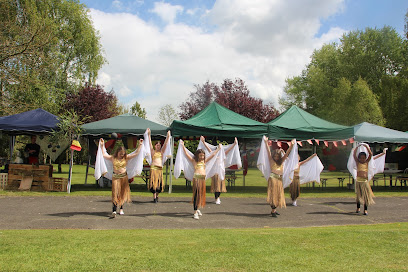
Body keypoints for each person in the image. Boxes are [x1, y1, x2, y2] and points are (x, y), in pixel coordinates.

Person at [99, 138, 144, 218]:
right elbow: (104, 154)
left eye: (123, 153)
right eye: (120, 153)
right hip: (115, 178)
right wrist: (102, 145)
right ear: (117, 152)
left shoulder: (126, 158)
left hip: (123, 177)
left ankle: (121, 208)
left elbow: (136, 154)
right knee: (115, 193)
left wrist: (140, 145)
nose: (122, 155)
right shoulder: (113, 158)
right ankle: (114, 210)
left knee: (122, 193)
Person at [179, 140, 221, 219]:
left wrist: (218, 149)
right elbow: (186, 154)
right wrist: (183, 146)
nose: (202, 157)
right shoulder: (194, 161)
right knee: (196, 194)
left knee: (201, 195)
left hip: (202, 180)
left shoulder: (204, 161)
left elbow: (213, 155)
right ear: (197, 155)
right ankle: (195, 212)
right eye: (200, 155)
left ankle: (197, 208)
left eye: (203, 156)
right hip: (197, 179)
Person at [261, 137, 296, 217]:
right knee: (273, 194)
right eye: (275, 156)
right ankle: (273, 210)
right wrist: (266, 142)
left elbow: (287, 153)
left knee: (278, 195)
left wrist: (291, 145)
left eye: (277, 156)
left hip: (279, 179)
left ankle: (274, 210)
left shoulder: (281, 161)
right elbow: (268, 151)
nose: (276, 157)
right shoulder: (271, 160)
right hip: (273, 178)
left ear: (279, 156)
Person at [199, 136, 239, 205]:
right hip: (215, 172)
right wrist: (203, 142)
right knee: (216, 186)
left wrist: (234, 144)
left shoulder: (223, 155)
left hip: (221, 172)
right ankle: (216, 198)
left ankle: (218, 197)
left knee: (220, 186)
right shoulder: (214, 155)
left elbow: (229, 150)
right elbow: (209, 149)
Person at [349, 144, 387, 215]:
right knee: (358, 196)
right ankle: (358, 208)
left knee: (366, 196)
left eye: (363, 158)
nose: (362, 159)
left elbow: (370, 154)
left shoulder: (366, 162)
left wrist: (366, 146)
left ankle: (365, 210)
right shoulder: (358, 162)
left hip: (365, 181)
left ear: (365, 158)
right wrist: (357, 147)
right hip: (358, 181)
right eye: (361, 158)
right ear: (359, 158)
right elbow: (354, 155)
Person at [146, 129, 171, 203]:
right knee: (153, 183)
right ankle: (154, 198)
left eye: (159, 145)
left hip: (159, 170)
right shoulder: (153, 152)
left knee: (159, 184)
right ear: (155, 146)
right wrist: (149, 135)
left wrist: (168, 136)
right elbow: (149, 143)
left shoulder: (162, 152)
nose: (158, 147)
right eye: (157, 145)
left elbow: (166, 144)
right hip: (153, 169)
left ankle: (157, 196)